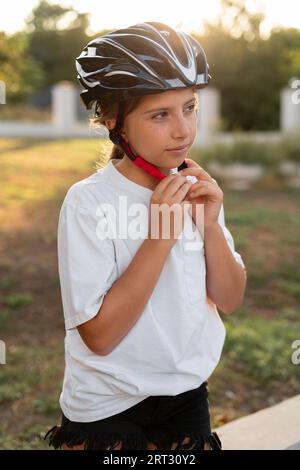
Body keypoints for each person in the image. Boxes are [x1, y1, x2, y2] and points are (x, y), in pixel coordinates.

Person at [45, 21, 247, 451]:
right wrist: (160, 236)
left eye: (189, 107)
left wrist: (208, 225)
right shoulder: (89, 202)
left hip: (186, 396)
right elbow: (99, 336)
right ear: (114, 121)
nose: (183, 130)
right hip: (107, 405)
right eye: (160, 114)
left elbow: (229, 298)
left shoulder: (195, 188)